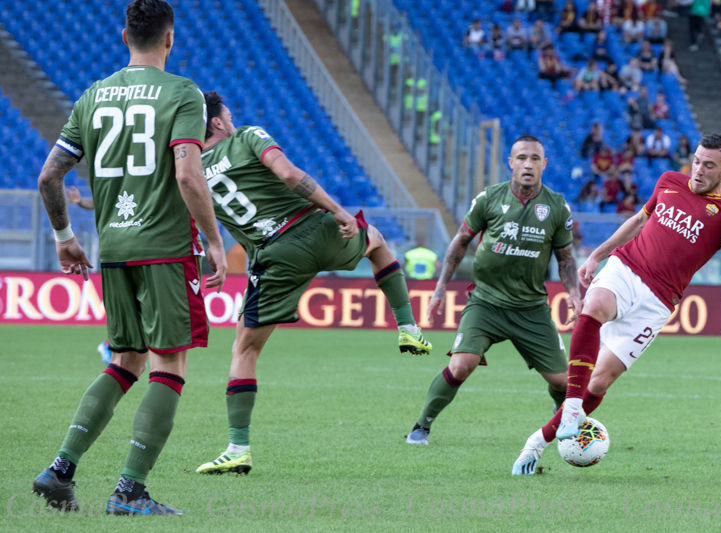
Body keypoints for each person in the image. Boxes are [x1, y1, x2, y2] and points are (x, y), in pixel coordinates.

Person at [31, 0, 228, 515]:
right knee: (169, 362)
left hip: (112, 248)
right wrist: (214, 242)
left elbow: (50, 176)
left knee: (125, 360)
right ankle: (130, 491)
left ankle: (61, 470)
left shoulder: (92, 96)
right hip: (164, 248)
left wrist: (64, 237)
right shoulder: (183, 92)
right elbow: (188, 175)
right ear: (170, 39)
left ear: (124, 38)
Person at [194, 92, 432, 473]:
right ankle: (407, 326)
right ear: (219, 123)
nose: (234, 120)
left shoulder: (190, 172)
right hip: (316, 230)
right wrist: (338, 211)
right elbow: (289, 174)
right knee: (377, 243)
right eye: (230, 115)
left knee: (245, 350)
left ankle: (238, 447)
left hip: (276, 258)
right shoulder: (248, 137)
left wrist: (214, 247)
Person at [512, 133, 721, 475]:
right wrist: (597, 254)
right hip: (626, 268)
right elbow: (640, 220)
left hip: (657, 302)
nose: (698, 169)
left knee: (598, 384)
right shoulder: (670, 181)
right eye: (697, 160)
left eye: (708, 165)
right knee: (593, 308)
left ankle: (536, 443)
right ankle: (571, 406)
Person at [405, 135, 579, 446]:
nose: (528, 164)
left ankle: (559, 408)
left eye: (535, 159)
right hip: (486, 302)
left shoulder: (557, 207)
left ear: (544, 164)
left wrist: (574, 294)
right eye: (522, 157)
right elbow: (460, 241)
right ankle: (421, 426)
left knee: (563, 382)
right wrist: (441, 287)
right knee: (460, 365)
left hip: (531, 307)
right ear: (510, 162)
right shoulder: (489, 198)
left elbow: (565, 258)